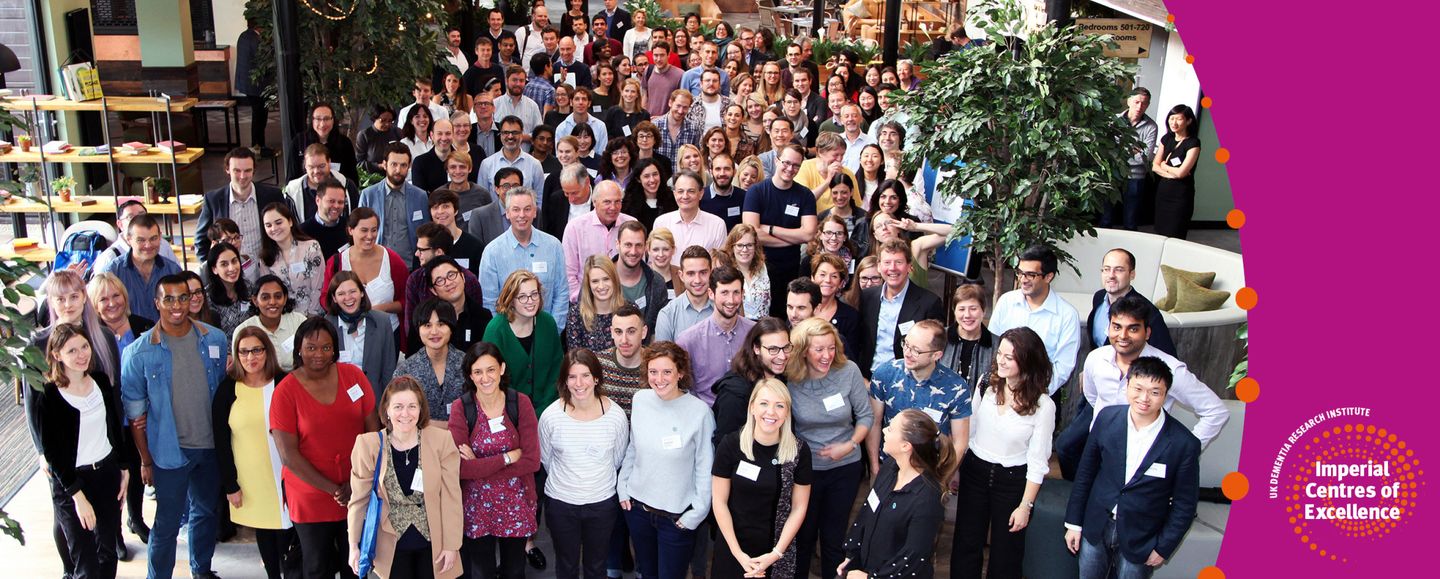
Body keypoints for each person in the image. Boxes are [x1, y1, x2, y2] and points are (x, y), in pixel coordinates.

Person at [121, 274, 230, 579]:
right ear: (157, 303)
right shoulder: (139, 353)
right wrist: (145, 459)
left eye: (183, 297)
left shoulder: (216, 340)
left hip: (210, 449)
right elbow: (136, 416)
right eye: (168, 299)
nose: (177, 305)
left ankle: (202, 570)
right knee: (167, 525)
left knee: (205, 514)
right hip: (168, 453)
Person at [1058, 296, 1229, 481]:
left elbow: (1216, 412)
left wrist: (1183, 451)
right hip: (1099, 450)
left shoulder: (1169, 369)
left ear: (1147, 332)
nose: (1122, 336)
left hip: (1141, 460)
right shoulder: (1095, 359)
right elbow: (1093, 398)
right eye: (1117, 327)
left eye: (1132, 329)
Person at [1065, 357, 1201, 579]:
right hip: (1096, 526)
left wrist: (1163, 547)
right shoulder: (1106, 418)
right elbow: (1085, 474)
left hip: (1143, 538)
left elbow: (1184, 504)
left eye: (1155, 392)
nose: (1144, 398)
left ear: (1166, 394)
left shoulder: (1183, 443)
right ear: (1127, 386)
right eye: (1138, 388)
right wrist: (1073, 523)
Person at [272, 317, 380, 579]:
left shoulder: (353, 376)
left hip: (356, 488)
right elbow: (288, 456)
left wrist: (357, 483)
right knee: (316, 566)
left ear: (335, 349)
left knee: (354, 563)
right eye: (311, 348)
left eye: (326, 347)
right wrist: (334, 489)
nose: (318, 354)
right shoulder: (285, 391)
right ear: (299, 349)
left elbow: (373, 432)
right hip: (310, 495)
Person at [950, 327, 1055, 579]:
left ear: (1028, 359)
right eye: (1000, 354)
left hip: (1012, 480)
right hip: (975, 470)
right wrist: (956, 470)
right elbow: (969, 430)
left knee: (1006, 553)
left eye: (1010, 357)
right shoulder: (986, 383)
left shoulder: (1043, 405)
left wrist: (1025, 506)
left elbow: (1038, 461)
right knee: (966, 542)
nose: (1001, 361)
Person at [30, 323, 130, 579]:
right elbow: (53, 454)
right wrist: (78, 497)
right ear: (56, 355)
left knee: (107, 552)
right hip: (72, 484)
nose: (81, 354)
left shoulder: (99, 381)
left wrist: (124, 467)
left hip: (106, 474)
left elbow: (114, 428)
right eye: (72, 350)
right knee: (86, 563)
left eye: (84, 346)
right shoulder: (48, 395)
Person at [346, 376, 464, 579]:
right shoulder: (369, 446)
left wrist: (452, 545)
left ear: (420, 409)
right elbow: (358, 500)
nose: (405, 414)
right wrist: (354, 545)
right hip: (391, 546)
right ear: (387, 410)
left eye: (412, 406)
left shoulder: (441, 441)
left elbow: (451, 496)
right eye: (398, 406)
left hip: (433, 545)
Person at [617, 342, 716, 579]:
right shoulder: (640, 399)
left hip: (677, 518)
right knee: (647, 574)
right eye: (653, 372)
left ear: (680, 373)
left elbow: (705, 466)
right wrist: (623, 488)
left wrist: (697, 512)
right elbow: (633, 447)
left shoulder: (699, 412)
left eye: (667, 372)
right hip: (638, 510)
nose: (659, 379)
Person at [784, 317, 872, 579]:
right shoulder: (790, 379)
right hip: (806, 473)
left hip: (844, 468)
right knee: (803, 538)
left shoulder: (849, 371)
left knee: (834, 540)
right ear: (803, 351)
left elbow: (866, 416)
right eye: (819, 349)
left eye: (831, 347)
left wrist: (850, 444)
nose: (827, 355)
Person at [446, 342, 541, 579]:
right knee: (481, 572)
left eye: (490, 369)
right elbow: (459, 468)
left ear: (502, 368)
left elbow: (531, 461)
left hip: (517, 503)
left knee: (515, 570)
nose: (485, 378)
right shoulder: (461, 408)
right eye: (477, 372)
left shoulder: (520, 403)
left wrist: (478, 465)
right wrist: (507, 457)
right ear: (470, 375)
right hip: (476, 506)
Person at [539, 348, 630, 579]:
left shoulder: (616, 416)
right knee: (566, 566)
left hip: (601, 505)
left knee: (596, 567)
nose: (579, 383)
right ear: (564, 380)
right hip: (561, 504)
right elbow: (546, 459)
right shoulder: (550, 416)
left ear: (596, 378)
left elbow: (617, 458)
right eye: (572, 376)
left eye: (585, 375)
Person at [213, 328, 296, 579]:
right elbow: (221, 442)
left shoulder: (284, 382)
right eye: (244, 351)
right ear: (237, 355)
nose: (251, 357)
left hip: (287, 475)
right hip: (251, 479)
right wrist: (230, 485)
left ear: (267, 351)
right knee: (266, 532)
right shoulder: (228, 389)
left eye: (257, 350)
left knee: (289, 531)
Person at [839, 408, 958, 579]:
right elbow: (866, 513)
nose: (884, 430)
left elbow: (912, 558)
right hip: (865, 567)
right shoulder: (889, 468)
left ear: (906, 446)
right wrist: (852, 556)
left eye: (891, 429)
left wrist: (870, 578)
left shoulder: (927, 499)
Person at [710, 378, 811, 579]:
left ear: (787, 412)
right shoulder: (731, 445)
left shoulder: (798, 451)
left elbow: (799, 507)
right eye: (764, 403)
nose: (771, 412)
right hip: (733, 547)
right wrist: (738, 554)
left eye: (779, 406)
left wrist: (776, 554)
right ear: (752, 407)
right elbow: (719, 502)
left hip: (776, 549)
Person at [866, 318, 972, 474]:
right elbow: (874, 423)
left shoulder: (956, 388)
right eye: (906, 344)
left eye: (916, 350)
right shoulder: (885, 374)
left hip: (930, 471)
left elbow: (960, 442)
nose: (907, 353)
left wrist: (943, 477)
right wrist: (875, 467)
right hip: (889, 466)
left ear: (936, 355)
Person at [986, 244, 1082, 396]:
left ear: (1049, 277)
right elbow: (991, 346)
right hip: (1001, 391)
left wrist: (1036, 393)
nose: (1023, 280)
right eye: (1020, 273)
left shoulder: (1066, 315)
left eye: (1030, 274)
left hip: (1041, 395)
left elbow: (1063, 367)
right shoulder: (1006, 302)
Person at [743, 145, 818, 318]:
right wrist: (794, 238)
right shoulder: (757, 191)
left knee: (786, 317)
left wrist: (770, 228)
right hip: (760, 267)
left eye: (796, 165)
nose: (790, 169)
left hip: (791, 268)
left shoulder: (805, 195)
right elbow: (752, 234)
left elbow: (808, 234)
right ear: (776, 161)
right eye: (786, 163)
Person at [479, 187, 570, 326]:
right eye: (516, 209)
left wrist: (553, 329)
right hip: (508, 336)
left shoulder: (553, 246)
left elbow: (562, 293)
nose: (522, 215)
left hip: (547, 332)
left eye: (527, 209)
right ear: (507, 213)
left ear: (535, 212)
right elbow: (489, 301)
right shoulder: (492, 252)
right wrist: (506, 334)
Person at [856, 239, 945, 379]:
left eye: (898, 262)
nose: (892, 268)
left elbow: (934, 349)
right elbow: (860, 341)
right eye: (887, 262)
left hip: (908, 380)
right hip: (869, 378)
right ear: (879, 266)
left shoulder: (929, 303)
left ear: (909, 266)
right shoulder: (867, 297)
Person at [484, 270, 564, 418]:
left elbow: (556, 369)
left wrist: (544, 409)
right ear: (511, 300)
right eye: (522, 297)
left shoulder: (547, 323)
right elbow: (492, 377)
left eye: (534, 294)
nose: (530, 300)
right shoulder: (496, 330)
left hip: (548, 408)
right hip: (507, 412)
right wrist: (521, 412)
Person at [322, 207, 412, 333]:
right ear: (350, 230)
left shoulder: (393, 260)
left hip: (387, 332)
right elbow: (325, 299)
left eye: (374, 230)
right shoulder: (336, 262)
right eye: (364, 230)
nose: (370, 236)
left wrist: (384, 308)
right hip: (348, 332)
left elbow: (407, 299)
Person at [675, 265, 753, 405]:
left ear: (743, 294)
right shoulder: (688, 340)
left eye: (736, 292)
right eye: (724, 293)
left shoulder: (754, 333)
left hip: (747, 415)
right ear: (711, 294)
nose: (731, 300)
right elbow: (683, 389)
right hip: (706, 416)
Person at [196, 147, 289, 261]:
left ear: (254, 170)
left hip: (267, 266)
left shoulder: (272, 196)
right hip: (231, 271)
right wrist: (211, 269)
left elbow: (287, 230)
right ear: (227, 169)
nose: (242, 176)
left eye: (247, 170)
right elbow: (201, 241)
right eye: (237, 170)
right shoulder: (213, 200)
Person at [709, 317, 790, 443]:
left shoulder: (783, 378)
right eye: (773, 349)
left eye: (786, 347)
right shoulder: (734, 393)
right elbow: (726, 445)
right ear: (756, 348)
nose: (782, 356)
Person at [98, 213, 183, 324]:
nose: (148, 245)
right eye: (141, 240)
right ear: (128, 239)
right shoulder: (113, 272)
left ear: (160, 237)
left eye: (153, 239)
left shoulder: (173, 271)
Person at [396, 299, 469, 420]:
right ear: (418, 330)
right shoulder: (405, 371)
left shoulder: (467, 364)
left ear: (451, 327)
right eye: (427, 325)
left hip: (463, 437)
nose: (434, 332)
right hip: (420, 437)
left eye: (441, 324)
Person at [327, 271, 399, 394]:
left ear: (361, 293)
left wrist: (385, 403)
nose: (348, 298)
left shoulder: (382, 321)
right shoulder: (327, 325)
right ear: (334, 298)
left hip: (375, 398)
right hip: (339, 397)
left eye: (352, 291)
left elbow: (388, 369)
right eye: (341, 294)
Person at [563, 179, 636, 300]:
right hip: (587, 302)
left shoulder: (631, 224)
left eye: (617, 201)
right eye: (607, 202)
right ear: (594, 202)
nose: (613, 207)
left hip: (624, 300)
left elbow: (639, 266)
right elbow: (568, 272)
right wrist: (580, 300)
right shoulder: (575, 227)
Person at [257, 202, 326, 316]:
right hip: (282, 319)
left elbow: (319, 286)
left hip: (313, 317)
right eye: (268, 225)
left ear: (290, 221)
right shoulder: (265, 259)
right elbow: (268, 293)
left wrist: (311, 317)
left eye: (278, 222)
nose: (274, 228)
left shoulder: (311, 247)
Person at [1102, 88, 1157, 230]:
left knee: (1131, 219)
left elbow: (1147, 157)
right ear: (1129, 101)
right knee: (1106, 217)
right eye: (1137, 102)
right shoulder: (1113, 121)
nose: (1140, 106)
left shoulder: (1151, 126)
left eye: (1144, 103)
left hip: (1136, 176)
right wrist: (1133, 151)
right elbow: (1107, 150)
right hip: (1113, 174)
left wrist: (1121, 152)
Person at [415, 256, 493, 354]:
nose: (448, 283)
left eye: (451, 275)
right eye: (440, 280)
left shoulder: (482, 316)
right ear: (433, 290)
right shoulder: (423, 317)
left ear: (463, 277)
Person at [1151, 104, 1201, 239]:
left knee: (1176, 232)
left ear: (1188, 121)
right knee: (1160, 230)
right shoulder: (1166, 139)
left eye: (1178, 119)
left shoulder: (1193, 143)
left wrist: (1164, 166)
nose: (1174, 122)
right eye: (1171, 118)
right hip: (1164, 191)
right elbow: (1154, 166)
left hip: (1181, 195)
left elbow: (1181, 173)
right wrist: (1171, 173)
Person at [479, 115, 548, 207]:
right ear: (500, 135)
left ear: (521, 135)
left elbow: (540, 199)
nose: (510, 136)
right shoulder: (487, 164)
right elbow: (482, 199)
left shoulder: (534, 164)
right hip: (495, 219)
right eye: (506, 132)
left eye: (515, 132)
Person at [942, 284, 997, 392]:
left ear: (984, 311)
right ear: (954, 311)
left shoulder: (996, 345)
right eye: (961, 309)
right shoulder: (941, 337)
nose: (967, 315)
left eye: (973, 309)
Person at [287, 103, 358, 185]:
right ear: (312, 120)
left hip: (337, 193)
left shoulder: (344, 143)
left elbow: (352, 178)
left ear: (333, 120)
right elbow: (291, 179)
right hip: (306, 193)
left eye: (327, 119)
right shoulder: (299, 142)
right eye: (318, 119)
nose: (322, 124)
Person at [284, 143, 356, 225]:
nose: (316, 171)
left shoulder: (347, 186)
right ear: (305, 166)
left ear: (329, 162)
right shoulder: (292, 192)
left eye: (321, 166)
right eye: (311, 167)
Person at [597, 304, 651, 414]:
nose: (624, 340)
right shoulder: (597, 364)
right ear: (612, 332)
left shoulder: (656, 365)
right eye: (618, 332)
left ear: (643, 332)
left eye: (631, 331)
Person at [653, 246, 714, 342]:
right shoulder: (668, 314)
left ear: (711, 273)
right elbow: (662, 356)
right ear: (681, 276)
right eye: (691, 273)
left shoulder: (724, 309)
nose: (697, 280)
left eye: (703, 272)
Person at [203, 242, 253, 337]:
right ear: (214, 269)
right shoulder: (207, 298)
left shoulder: (248, 286)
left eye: (234, 261)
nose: (232, 268)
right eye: (224, 264)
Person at [428, 190, 487, 271]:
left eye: (445, 206)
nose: (440, 211)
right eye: (435, 207)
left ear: (455, 210)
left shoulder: (475, 246)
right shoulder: (425, 245)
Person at [469, 167, 525, 249]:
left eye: (515, 186)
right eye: (506, 186)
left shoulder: (534, 213)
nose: (511, 190)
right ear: (497, 189)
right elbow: (475, 250)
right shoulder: (480, 216)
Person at [302, 179, 354, 258]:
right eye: (331, 201)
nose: (336, 206)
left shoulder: (350, 228)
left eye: (340, 202)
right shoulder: (303, 232)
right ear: (318, 200)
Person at [620, 157, 677, 228]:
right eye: (646, 176)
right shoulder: (629, 205)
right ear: (638, 179)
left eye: (655, 174)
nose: (652, 180)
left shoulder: (672, 199)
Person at [652, 89, 701, 166]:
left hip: (683, 176)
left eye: (685, 107)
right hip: (660, 176)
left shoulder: (693, 129)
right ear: (670, 103)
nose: (680, 111)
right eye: (678, 106)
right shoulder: (655, 126)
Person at [699, 153, 744, 230]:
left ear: (734, 172)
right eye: (718, 169)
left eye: (727, 169)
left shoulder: (744, 197)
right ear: (711, 172)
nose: (722, 173)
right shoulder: (700, 197)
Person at [498, 65, 546, 134]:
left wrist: (522, 137)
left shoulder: (532, 106)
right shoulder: (495, 105)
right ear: (506, 80)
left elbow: (539, 133)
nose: (518, 84)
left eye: (521, 81)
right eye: (514, 80)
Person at [356, 104, 402, 175]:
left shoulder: (397, 132)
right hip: (371, 178)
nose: (387, 124)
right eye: (383, 120)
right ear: (374, 118)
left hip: (395, 174)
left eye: (390, 121)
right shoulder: (364, 135)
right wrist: (379, 166)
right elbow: (359, 163)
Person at [647, 227, 682, 298]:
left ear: (673, 250)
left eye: (665, 249)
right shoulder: (642, 276)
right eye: (656, 249)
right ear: (648, 251)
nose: (661, 254)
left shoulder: (682, 275)